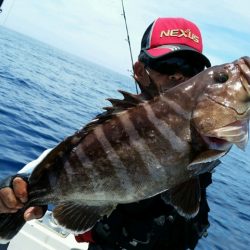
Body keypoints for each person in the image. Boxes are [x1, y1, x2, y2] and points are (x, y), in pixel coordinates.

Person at [0, 17, 219, 249]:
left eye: (191, 68)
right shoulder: (110, 128)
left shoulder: (208, 122)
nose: (179, 76)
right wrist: (18, 187)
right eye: (167, 65)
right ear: (140, 72)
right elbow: (57, 161)